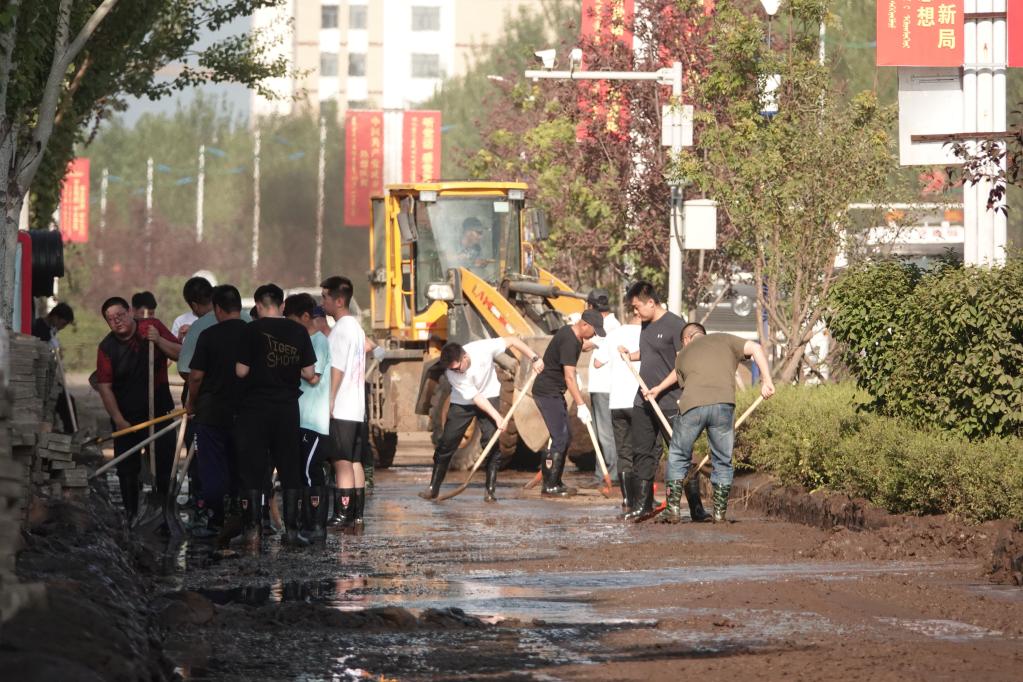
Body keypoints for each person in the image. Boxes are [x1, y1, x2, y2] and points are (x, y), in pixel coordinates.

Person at [657, 323, 776, 523]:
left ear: (686, 340)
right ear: (704, 334)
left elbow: (687, 385)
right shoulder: (724, 338)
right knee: (722, 459)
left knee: (678, 455)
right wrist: (767, 381)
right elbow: (756, 348)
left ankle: (673, 510)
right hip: (723, 405)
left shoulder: (683, 355)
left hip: (692, 406)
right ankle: (719, 514)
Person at [235, 284, 316, 547]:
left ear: (258, 306)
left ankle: (252, 532)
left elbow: (241, 372)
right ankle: (292, 533)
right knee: (290, 467)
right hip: (287, 409)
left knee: (253, 468)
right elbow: (308, 371)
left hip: (255, 409)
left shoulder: (250, 330)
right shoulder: (298, 331)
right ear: (282, 306)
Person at [617, 281, 706, 522]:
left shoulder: (675, 325)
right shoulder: (646, 324)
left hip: (669, 401)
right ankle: (643, 504)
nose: (635, 313)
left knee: (680, 452)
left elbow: (681, 365)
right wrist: (630, 355)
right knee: (642, 452)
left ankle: (697, 508)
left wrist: (659, 389)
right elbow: (649, 354)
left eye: (637, 307)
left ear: (651, 302)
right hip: (644, 399)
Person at [419, 336, 544, 502]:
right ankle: (433, 488)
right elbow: (477, 398)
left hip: (490, 394)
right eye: (452, 369)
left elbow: (513, 340)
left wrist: (534, 358)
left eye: (458, 368)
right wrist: (498, 417)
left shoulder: (482, 348)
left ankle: (490, 491)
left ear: (465, 357)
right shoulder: (452, 373)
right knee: (446, 445)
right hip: (462, 403)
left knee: (491, 443)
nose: (456, 371)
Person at [95, 296, 181, 520]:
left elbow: (180, 354)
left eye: (120, 315)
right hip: (127, 416)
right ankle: (131, 515)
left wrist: (159, 341)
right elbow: (105, 387)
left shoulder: (151, 328)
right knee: (127, 470)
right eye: (111, 319)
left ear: (130, 312)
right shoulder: (107, 348)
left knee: (164, 465)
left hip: (158, 411)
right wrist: (119, 419)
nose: (117, 321)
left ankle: (164, 513)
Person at [184, 285, 247, 539]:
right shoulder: (252, 333)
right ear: (239, 307)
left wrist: (191, 403)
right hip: (245, 413)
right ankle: (241, 514)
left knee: (211, 468)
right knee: (239, 466)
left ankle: (216, 518)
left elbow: (196, 377)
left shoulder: (208, 335)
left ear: (217, 308)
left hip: (211, 413)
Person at [532, 309, 605, 497]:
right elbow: (570, 377)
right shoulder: (569, 341)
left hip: (554, 392)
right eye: (594, 331)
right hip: (547, 393)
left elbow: (582, 345)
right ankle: (549, 486)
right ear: (584, 325)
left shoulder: (570, 333)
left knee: (566, 436)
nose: (594, 334)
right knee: (560, 437)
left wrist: (598, 344)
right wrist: (581, 405)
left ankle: (554, 480)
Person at [321, 275, 370, 526]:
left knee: (341, 462)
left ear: (339, 300)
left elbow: (336, 369)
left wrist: (329, 400)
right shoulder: (357, 329)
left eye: (325, 297)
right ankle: (358, 514)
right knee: (354, 461)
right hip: (357, 407)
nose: (323, 302)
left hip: (342, 406)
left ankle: (342, 514)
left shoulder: (341, 330)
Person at [284, 292, 332, 542]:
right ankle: (305, 522)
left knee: (310, 470)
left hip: (313, 420)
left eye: (293, 320)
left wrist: (288, 362)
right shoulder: (303, 340)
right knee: (300, 471)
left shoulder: (318, 342)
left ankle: (316, 526)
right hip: (299, 418)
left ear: (306, 317)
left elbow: (313, 375)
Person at [594, 307, 641, 513]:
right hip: (639, 401)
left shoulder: (613, 335)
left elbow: (597, 363)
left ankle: (627, 500)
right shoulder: (647, 334)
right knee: (643, 451)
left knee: (624, 453)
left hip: (617, 402)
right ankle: (642, 498)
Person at [584, 289, 621, 488]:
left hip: (605, 387)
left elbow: (586, 345)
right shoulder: (607, 324)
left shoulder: (610, 327)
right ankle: (601, 474)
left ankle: (612, 474)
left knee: (606, 433)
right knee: (599, 432)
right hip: (598, 386)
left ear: (592, 307)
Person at [33, 303, 76, 433]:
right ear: (55, 317)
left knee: (68, 400)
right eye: (62, 324)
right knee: (64, 401)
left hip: (49, 376)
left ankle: (72, 433)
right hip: (39, 378)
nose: (62, 328)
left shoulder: (51, 331)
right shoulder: (37, 327)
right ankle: (71, 432)